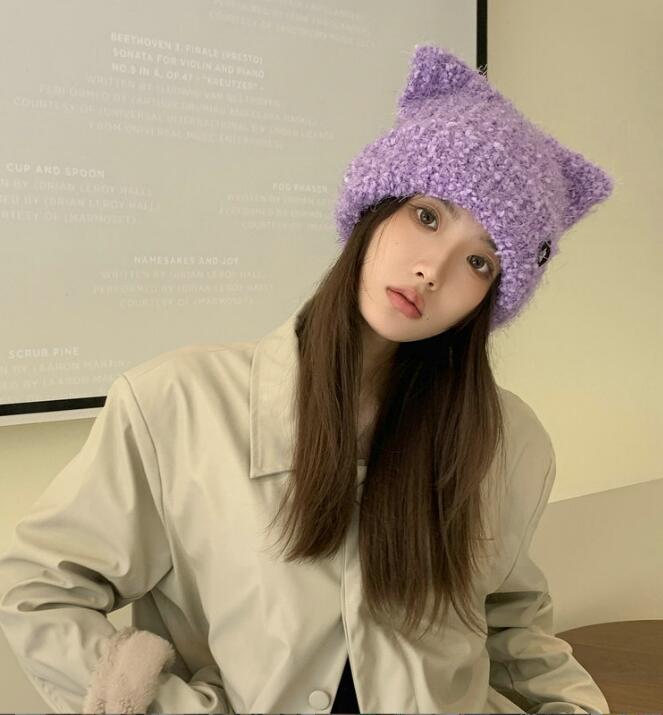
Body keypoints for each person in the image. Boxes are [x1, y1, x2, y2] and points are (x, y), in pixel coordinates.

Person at [0, 44, 614, 714]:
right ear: (375, 207)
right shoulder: (176, 404)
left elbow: (509, 623)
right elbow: (38, 588)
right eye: (427, 216)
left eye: (479, 261)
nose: (432, 270)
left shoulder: (509, 441)